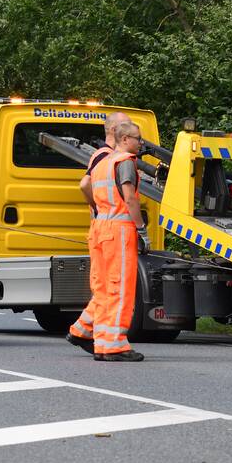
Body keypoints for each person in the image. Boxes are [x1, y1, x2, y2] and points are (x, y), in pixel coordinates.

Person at [66, 111, 131, 355]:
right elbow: (84, 184)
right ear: (115, 131)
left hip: (102, 227)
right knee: (112, 287)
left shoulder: (103, 156)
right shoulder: (107, 156)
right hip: (110, 228)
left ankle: (82, 330)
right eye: (126, 126)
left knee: (104, 287)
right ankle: (104, 340)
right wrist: (99, 207)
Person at [87, 121, 148, 362]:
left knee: (103, 289)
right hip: (119, 230)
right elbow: (130, 199)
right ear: (124, 139)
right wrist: (141, 228)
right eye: (137, 138)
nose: (140, 143)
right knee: (121, 288)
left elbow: (86, 188)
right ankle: (115, 345)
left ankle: (102, 344)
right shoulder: (125, 162)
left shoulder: (102, 163)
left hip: (101, 227)